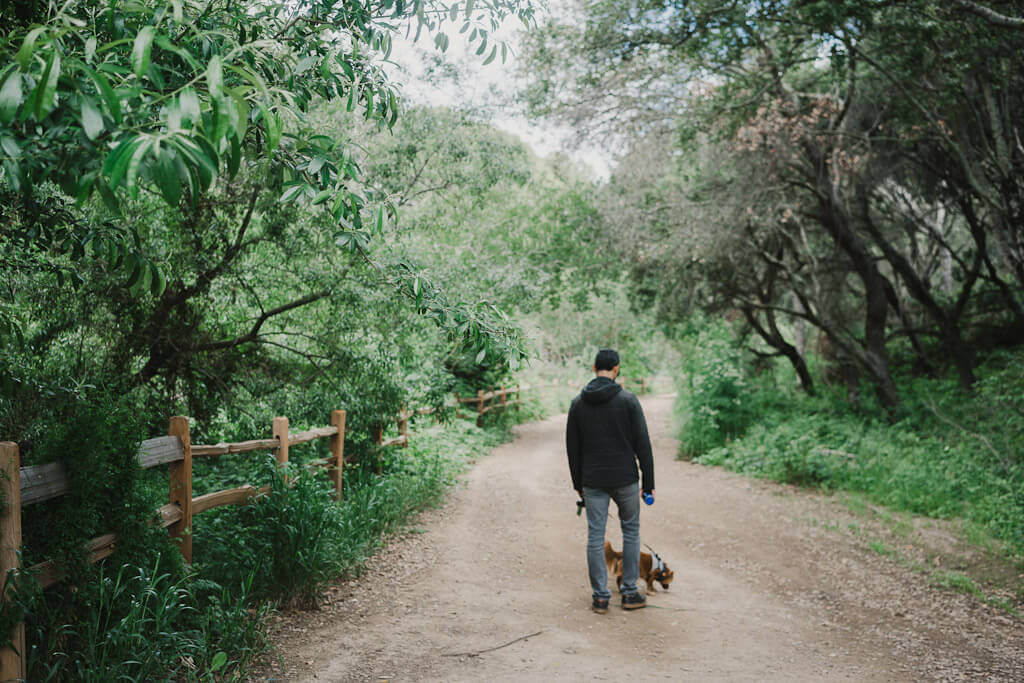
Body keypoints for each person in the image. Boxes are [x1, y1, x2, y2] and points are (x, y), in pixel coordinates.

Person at [566, 348, 655, 613]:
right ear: (616, 368)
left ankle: (601, 597)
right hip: (625, 478)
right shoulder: (628, 400)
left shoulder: (578, 403)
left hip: (592, 480)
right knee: (631, 532)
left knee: (595, 536)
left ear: (595, 368)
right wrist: (648, 483)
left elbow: (573, 449)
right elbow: (644, 445)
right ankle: (629, 593)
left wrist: (577, 484)